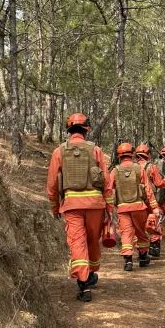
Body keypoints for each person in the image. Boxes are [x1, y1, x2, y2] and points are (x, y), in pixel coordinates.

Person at [45, 113, 112, 301]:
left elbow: (52, 184)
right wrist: (109, 208)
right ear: (86, 130)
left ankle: (84, 285)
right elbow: (106, 181)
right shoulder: (96, 150)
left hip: (72, 205)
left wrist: (55, 208)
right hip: (95, 205)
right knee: (92, 241)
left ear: (69, 129)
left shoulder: (59, 151)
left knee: (77, 242)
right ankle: (90, 273)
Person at [111, 142, 153, 271]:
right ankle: (143, 257)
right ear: (132, 154)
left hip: (123, 208)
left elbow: (108, 188)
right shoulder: (139, 169)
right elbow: (148, 189)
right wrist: (155, 207)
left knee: (126, 233)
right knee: (141, 232)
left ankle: (128, 261)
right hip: (138, 206)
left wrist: (108, 207)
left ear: (119, 156)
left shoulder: (115, 170)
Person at [135, 143, 165, 257]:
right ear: (147, 155)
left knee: (139, 225)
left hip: (136, 201)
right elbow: (159, 183)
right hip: (150, 200)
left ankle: (141, 251)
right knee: (153, 222)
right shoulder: (151, 167)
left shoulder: (133, 167)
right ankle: (154, 247)